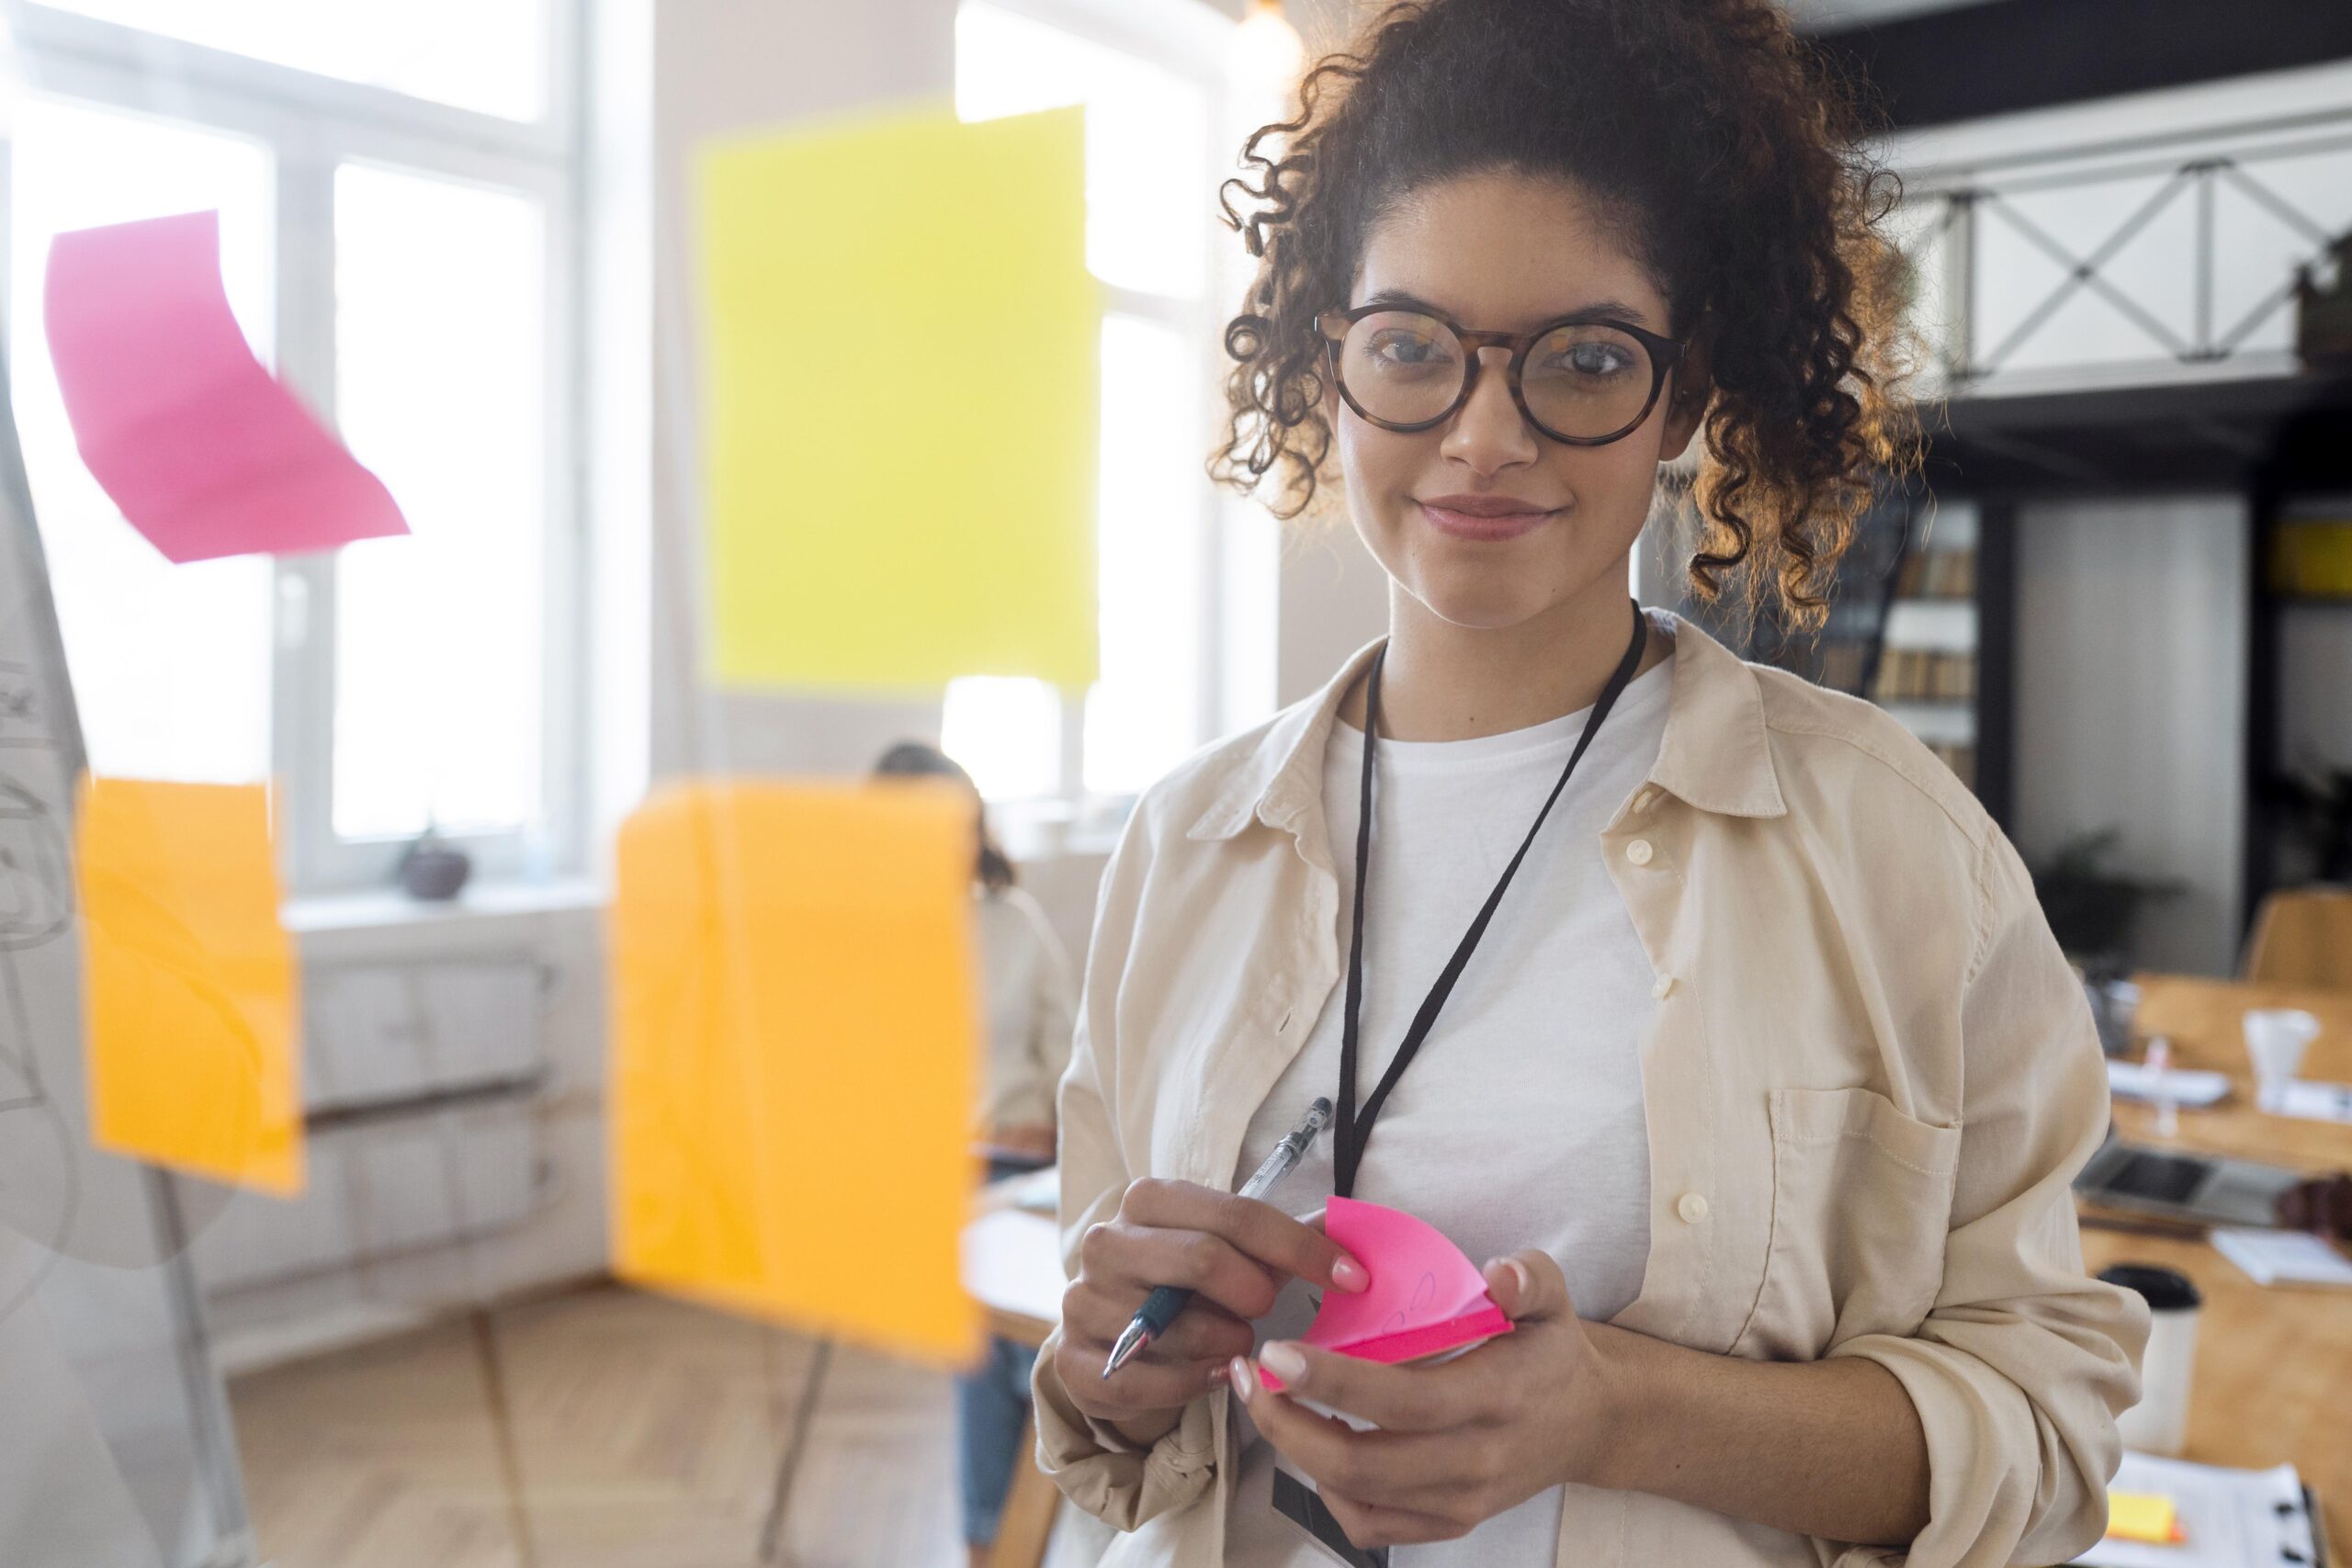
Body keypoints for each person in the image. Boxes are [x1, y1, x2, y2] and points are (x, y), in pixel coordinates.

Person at [1027, 3, 2149, 1564]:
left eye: (1585, 359)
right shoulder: (1187, 842)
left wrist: (1617, 1406)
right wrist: (1109, 1362)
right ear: (1326, 360)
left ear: (1684, 396)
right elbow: (1115, 1425)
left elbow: (2049, 1429)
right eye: (1412, 345)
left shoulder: (1888, 845)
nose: (1485, 437)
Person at [871, 742, 1078, 1567]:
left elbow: (1073, 1052)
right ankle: (1003, 1529)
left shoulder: (1015, 925)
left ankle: (998, 1533)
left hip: (1030, 1168)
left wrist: (1056, 1122)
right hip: (937, 1180)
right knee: (1009, 1342)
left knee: (1016, 1333)